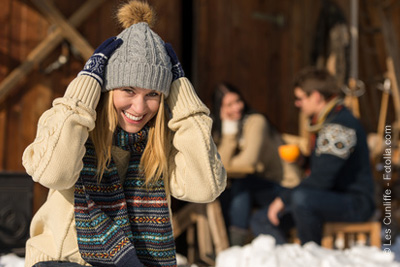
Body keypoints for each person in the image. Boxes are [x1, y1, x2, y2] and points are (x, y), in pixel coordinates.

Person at [22, 1, 226, 266]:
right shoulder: (73, 126)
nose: (139, 108)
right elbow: (53, 174)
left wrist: (183, 98)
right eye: (128, 90)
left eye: (152, 94)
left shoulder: (165, 142)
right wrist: (85, 86)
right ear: (107, 90)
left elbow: (206, 189)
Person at [250, 67, 375, 245]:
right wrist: (302, 160)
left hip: (354, 202)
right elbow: (327, 167)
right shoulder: (327, 121)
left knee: (301, 198)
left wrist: (283, 199)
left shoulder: (339, 127)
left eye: (300, 98)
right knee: (262, 219)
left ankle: (312, 255)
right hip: (327, 197)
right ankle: (289, 260)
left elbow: (322, 179)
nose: (297, 104)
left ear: (316, 96)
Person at [211, 82, 302, 246]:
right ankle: (226, 245)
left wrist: (224, 165)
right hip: (262, 187)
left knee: (242, 184)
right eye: (229, 105)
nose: (236, 107)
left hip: (286, 186)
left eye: (238, 101)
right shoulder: (226, 129)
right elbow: (221, 163)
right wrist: (229, 131)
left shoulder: (255, 121)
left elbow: (248, 164)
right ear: (220, 109)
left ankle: (235, 245)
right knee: (225, 190)